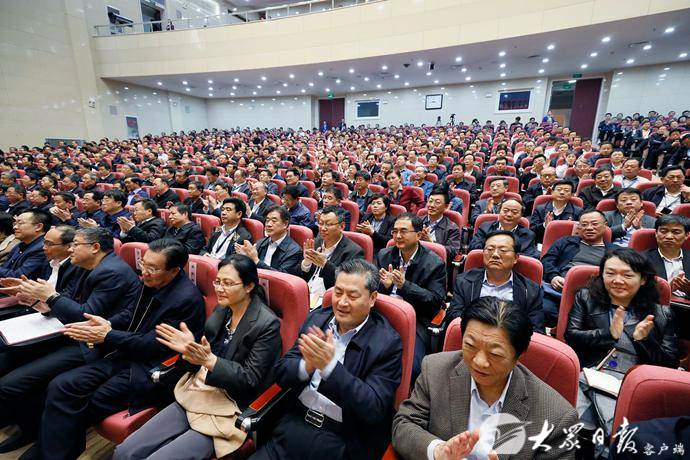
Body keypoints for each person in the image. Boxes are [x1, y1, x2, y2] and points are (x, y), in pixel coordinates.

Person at [23, 239, 206, 460]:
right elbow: (131, 314)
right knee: (61, 385)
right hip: (124, 353)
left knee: (88, 401)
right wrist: (107, 324)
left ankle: (48, 454)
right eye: (144, 264)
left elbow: (151, 345)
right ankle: (49, 452)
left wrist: (108, 335)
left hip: (149, 368)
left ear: (174, 271)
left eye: (152, 268)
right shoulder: (151, 282)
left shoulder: (185, 300)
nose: (144, 272)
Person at [113, 254, 281, 460]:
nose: (219, 288)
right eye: (217, 281)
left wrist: (210, 361)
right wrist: (188, 351)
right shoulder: (223, 309)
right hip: (197, 393)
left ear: (249, 286)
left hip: (228, 407)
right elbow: (202, 354)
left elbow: (250, 379)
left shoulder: (266, 324)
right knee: (124, 452)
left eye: (228, 283)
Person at [0, 228, 141, 453]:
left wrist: (50, 297)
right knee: (10, 357)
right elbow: (67, 304)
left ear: (95, 248)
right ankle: (26, 426)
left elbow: (85, 315)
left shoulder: (111, 272)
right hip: (66, 331)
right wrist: (36, 298)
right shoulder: (86, 266)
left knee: (12, 383)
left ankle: (32, 430)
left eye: (75, 245)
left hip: (91, 345)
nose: (71, 249)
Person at [249, 259, 402, 460]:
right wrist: (306, 366)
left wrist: (330, 368)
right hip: (294, 426)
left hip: (341, 441)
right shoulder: (318, 319)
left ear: (372, 298)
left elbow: (373, 408)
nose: (342, 302)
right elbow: (281, 371)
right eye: (338, 293)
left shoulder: (387, 343)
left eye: (352, 296)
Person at [392, 296, 578, 460]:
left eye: (495, 354)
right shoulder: (435, 370)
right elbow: (404, 425)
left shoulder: (556, 417)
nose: (479, 362)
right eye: (470, 346)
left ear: (519, 355)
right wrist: (438, 451)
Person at [566, 248, 678, 439]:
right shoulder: (585, 297)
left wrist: (643, 340)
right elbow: (571, 337)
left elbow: (669, 365)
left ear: (643, 279)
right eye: (610, 273)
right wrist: (608, 334)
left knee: (587, 426)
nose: (617, 280)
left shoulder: (662, 314)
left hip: (635, 383)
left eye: (627, 275)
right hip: (592, 372)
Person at [375, 213, 446, 379]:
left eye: (403, 231)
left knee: (411, 368)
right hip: (382, 314)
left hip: (416, 320)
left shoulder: (434, 263)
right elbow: (371, 290)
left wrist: (404, 286)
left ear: (419, 235)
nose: (398, 236)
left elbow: (435, 301)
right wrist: (384, 286)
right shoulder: (384, 255)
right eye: (395, 231)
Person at [447, 231, 544, 332]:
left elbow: (536, 330)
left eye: (503, 250)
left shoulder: (531, 291)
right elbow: (453, 315)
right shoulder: (464, 281)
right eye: (490, 249)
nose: (495, 254)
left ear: (515, 258)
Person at [541, 210, 614, 326]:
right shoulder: (565, 242)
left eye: (594, 224)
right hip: (559, 291)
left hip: (596, 297)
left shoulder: (615, 251)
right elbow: (547, 261)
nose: (589, 228)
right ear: (578, 228)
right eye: (584, 225)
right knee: (544, 309)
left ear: (605, 225)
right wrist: (553, 276)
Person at [300, 206, 363, 308]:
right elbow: (298, 275)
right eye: (321, 223)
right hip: (306, 293)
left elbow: (348, 283)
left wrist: (325, 264)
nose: (323, 228)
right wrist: (307, 262)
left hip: (329, 301)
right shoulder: (316, 242)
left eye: (328, 224)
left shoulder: (354, 251)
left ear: (342, 226)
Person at [235, 205, 302, 276]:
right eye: (267, 221)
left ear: (285, 224)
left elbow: (282, 277)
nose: (268, 224)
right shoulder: (260, 243)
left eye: (274, 221)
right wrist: (247, 259)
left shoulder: (294, 251)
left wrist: (256, 261)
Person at [469, 199, 539, 258]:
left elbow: (531, 256)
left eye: (514, 212)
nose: (509, 215)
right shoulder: (485, 227)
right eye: (505, 211)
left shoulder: (528, 235)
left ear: (521, 215)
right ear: (499, 211)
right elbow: (473, 247)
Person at [643, 214, 690, 295]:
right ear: (656, 233)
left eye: (676, 232)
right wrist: (665, 291)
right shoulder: (643, 260)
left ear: (687, 235)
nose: (669, 236)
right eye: (663, 231)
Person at [0, 209, 49, 280]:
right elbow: (5, 267)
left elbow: (19, 276)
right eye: (15, 224)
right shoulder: (21, 244)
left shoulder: (42, 249)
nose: (15, 227)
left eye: (20, 223)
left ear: (38, 227)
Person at [420, 187, 461, 263]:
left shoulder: (452, 228)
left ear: (446, 206)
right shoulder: (418, 221)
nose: (432, 205)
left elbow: (453, 252)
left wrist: (431, 244)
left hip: (437, 264)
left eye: (437, 203)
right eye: (430, 201)